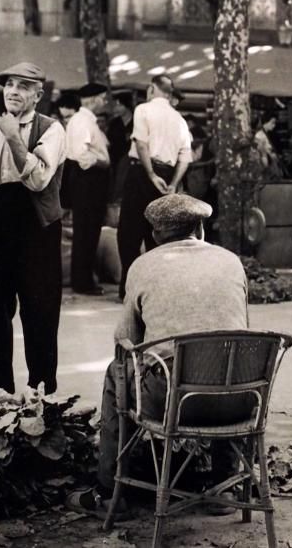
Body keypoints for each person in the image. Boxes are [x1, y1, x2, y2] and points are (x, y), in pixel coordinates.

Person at [66, 193, 249, 518]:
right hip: (241, 400)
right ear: (201, 229)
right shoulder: (231, 261)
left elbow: (125, 342)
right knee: (226, 364)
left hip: (174, 402)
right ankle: (225, 486)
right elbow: (240, 329)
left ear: (155, 235)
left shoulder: (143, 266)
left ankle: (109, 493)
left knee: (116, 371)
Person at [0, 62, 66, 395]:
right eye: (9, 84)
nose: (13, 91)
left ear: (38, 95)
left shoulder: (51, 129)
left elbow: (40, 178)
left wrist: (14, 138)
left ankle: (41, 389)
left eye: (24, 86)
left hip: (36, 225)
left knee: (39, 308)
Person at [116, 74, 192, 301]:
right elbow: (185, 157)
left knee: (129, 232)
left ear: (151, 89)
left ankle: (128, 288)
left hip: (142, 170)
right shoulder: (180, 119)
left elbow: (141, 143)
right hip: (168, 173)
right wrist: (173, 183)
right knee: (158, 232)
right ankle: (155, 288)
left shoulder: (143, 110)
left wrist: (150, 174)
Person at [62, 84, 110, 296]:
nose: (105, 102)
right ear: (92, 99)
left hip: (87, 181)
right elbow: (82, 156)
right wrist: (102, 162)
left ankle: (82, 278)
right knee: (86, 231)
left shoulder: (86, 120)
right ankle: (82, 281)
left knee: (88, 231)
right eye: (102, 98)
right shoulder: (82, 121)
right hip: (87, 180)